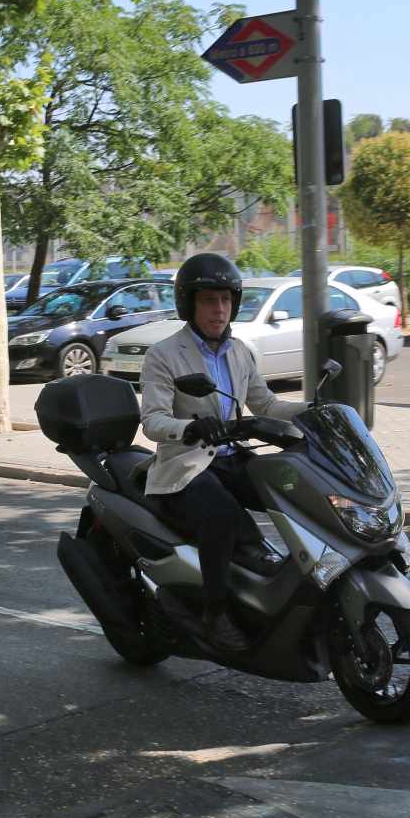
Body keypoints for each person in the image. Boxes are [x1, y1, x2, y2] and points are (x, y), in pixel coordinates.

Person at [138, 253, 306, 652]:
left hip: (233, 456)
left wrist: (316, 408)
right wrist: (190, 427)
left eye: (226, 300)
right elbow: (153, 421)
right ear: (189, 304)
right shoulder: (163, 355)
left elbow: (266, 404)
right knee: (222, 517)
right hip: (186, 466)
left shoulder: (240, 351)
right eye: (209, 300)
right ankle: (215, 614)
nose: (219, 309)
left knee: (297, 489)